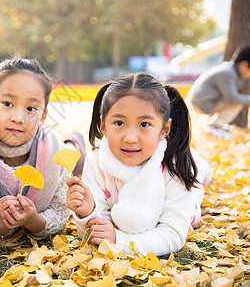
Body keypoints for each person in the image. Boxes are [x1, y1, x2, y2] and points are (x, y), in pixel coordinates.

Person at [66, 72, 212, 257]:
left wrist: (120, 241)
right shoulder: (96, 161)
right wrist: (87, 213)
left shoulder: (176, 168)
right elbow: (98, 232)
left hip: (182, 182)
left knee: (197, 178)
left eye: (144, 124)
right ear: (103, 126)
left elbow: (173, 234)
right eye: (119, 123)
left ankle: (201, 165)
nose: (130, 138)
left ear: (164, 129)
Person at [0, 58, 70, 237]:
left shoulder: (56, 155)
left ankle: (75, 143)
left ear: (43, 117)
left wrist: (34, 220)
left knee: (76, 155)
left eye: (31, 108)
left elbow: (60, 212)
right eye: (8, 104)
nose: (18, 118)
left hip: (59, 150)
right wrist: (0, 223)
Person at [187, 45, 250, 139]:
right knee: (237, 102)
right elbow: (232, 98)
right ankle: (214, 127)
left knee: (237, 100)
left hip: (204, 100)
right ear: (244, 64)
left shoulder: (230, 70)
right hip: (200, 102)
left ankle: (218, 125)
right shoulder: (228, 73)